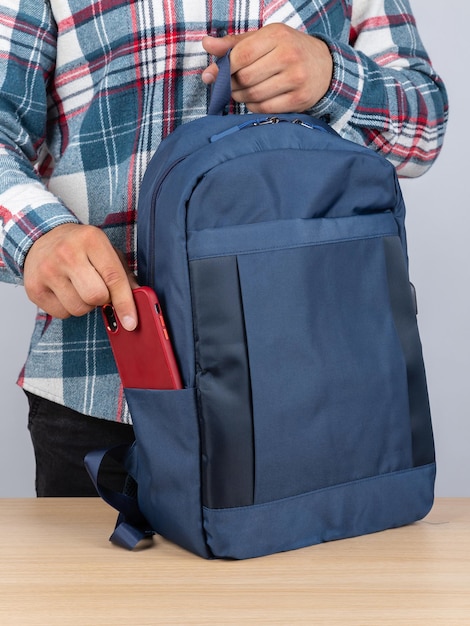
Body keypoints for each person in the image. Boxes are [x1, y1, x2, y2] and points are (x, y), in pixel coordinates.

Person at [0, 1, 448, 496]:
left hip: (326, 383)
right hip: (108, 387)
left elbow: (425, 127)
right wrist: (39, 235)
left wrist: (332, 75)